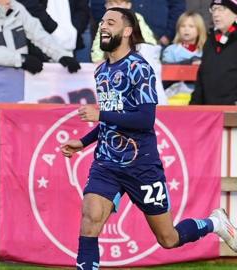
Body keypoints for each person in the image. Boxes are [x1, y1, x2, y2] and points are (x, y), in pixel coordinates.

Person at [60, 8, 237, 270]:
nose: (102, 26)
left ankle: (214, 223)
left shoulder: (138, 68)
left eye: (110, 22)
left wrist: (100, 114)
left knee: (168, 238)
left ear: (128, 31)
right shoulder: (101, 71)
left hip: (141, 166)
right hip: (106, 164)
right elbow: (113, 120)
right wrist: (85, 142)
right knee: (90, 218)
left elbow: (144, 119)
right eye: (101, 22)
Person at [0, 0, 81, 75]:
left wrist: (61, 55)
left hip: (19, 81)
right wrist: (20, 60)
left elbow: (38, 34)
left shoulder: (16, 7)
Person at [190, 0, 237, 105]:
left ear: (235, 14)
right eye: (214, 9)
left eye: (221, 9)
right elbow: (202, 76)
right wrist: (194, 106)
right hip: (209, 111)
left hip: (233, 110)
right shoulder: (210, 41)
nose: (216, 14)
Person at [162, 11, 207, 105]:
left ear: (199, 30)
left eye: (191, 26)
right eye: (183, 26)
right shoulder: (171, 50)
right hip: (175, 96)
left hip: (199, 96)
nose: (186, 29)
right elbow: (166, 73)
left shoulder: (206, 51)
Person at [91, 0, 156, 63]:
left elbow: (148, 39)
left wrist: (147, 57)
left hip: (136, 57)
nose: (115, 7)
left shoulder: (137, 18)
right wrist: (97, 59)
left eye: (119, 4)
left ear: (128, 5)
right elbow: (99, 42)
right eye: (111, 4)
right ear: (106, 6)